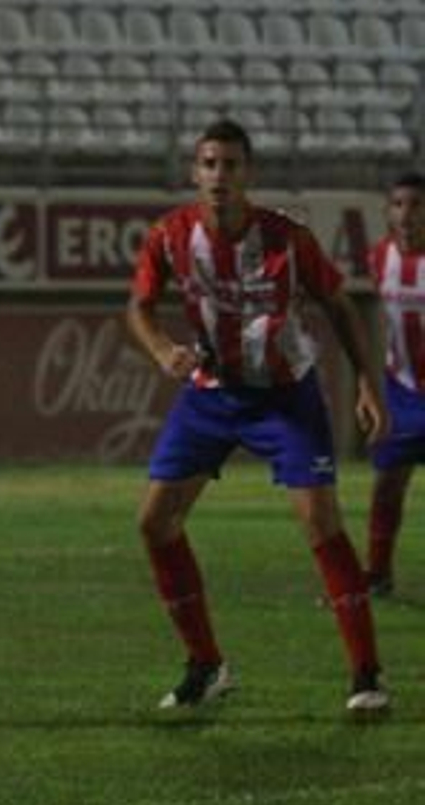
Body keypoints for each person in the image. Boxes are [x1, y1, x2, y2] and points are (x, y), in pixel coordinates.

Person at [128, 118, 391, 719]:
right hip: (211, 396)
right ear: (195, 172)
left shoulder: (286, 239)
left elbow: (339, 302)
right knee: (154, 522)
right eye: (209, 164)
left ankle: (367, 672)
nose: (220, 176)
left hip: (284, 395)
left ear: (250, 174)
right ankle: (205, 665)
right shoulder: (169, 236)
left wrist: (367, 384)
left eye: (231, 165)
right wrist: (162, 348)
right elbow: (138, 307)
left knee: (321, 525)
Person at [364, 172, 425, 597]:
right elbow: (369, 328)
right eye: (399, 205)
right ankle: (378, 576)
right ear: (388, 212)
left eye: (416, 205)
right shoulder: (376, 258)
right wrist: (367, 388)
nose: (407, 214)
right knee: (388, 484)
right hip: (400, 390)